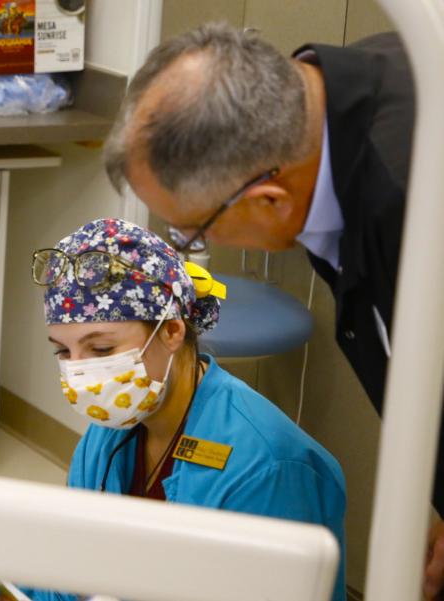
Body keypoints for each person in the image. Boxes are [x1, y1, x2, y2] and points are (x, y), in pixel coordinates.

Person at [99, 22, 444, 599]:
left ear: (269, 200)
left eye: (190, 233)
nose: (182, 249)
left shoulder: (416, 209)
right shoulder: (335, 99)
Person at [24, 218, 346, 601]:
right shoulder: (108, 432)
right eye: (63, 351)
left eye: (102, 350)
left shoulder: (268, 465)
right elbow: (68, 571)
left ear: (172, 331)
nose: (81, 374)